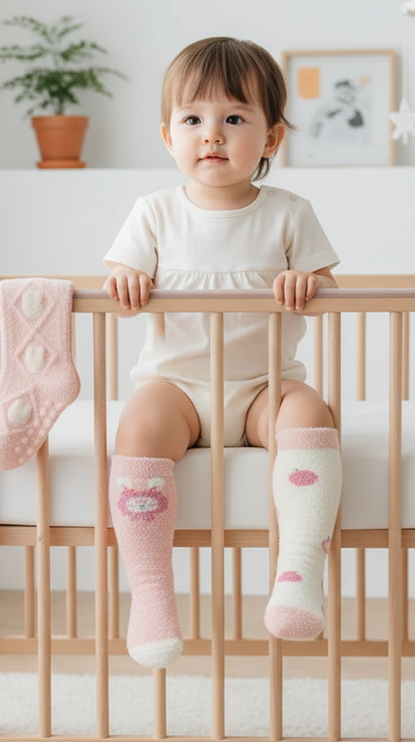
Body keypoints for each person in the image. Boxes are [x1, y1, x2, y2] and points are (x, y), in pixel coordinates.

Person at [103, 36, 342, 669]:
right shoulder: (153, 213)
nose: (212, 134)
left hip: (264, 388)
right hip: (177, 388)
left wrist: (309, 283)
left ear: (270, 138)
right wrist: (126, 279)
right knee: (137, 423)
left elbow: (328, 287)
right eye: (193, 119)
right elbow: (119, 273)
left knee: (312, 411)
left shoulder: (290, 214)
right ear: (167, 136)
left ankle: (298, 573)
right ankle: (152, 593)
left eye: (234, 118)